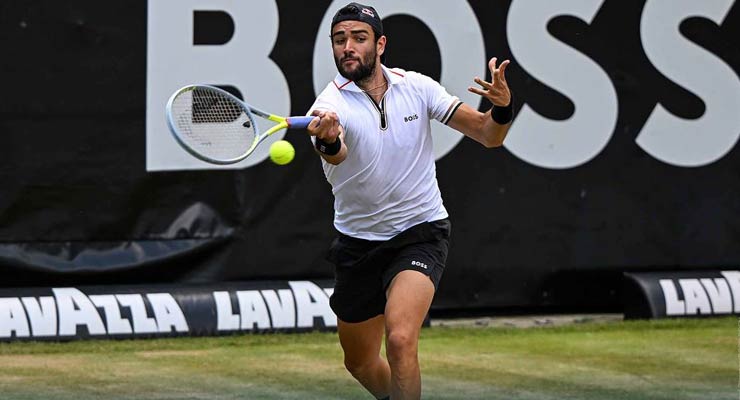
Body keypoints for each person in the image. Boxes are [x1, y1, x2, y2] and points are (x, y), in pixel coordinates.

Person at [306, 3, 513, 399]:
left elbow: (489, 135)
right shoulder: (329, 106)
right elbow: (335, 152)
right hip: (358, 244)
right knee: (360, 361)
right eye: (339, 39)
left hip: (420, 232)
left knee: (400, 339)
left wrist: (502, 108)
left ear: (380, 44)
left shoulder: (417, 87)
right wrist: (329, 137)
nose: (347, 47)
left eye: (358, 38)